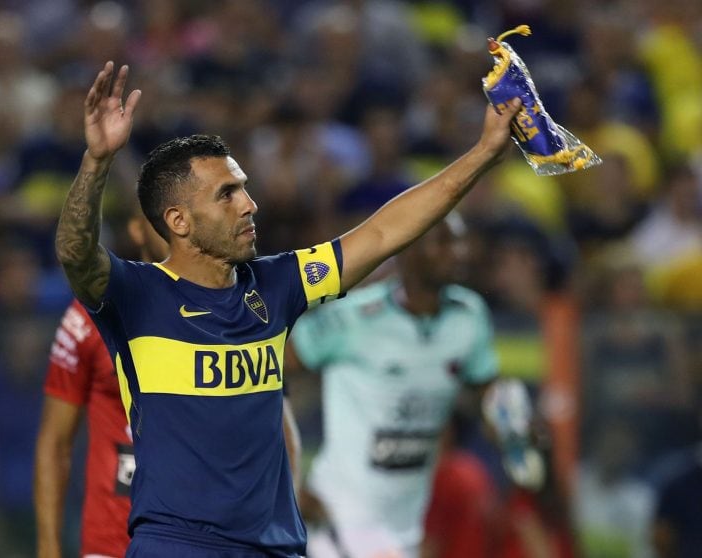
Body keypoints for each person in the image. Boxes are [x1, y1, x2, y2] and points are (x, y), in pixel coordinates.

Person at [53, 60, 521, 557]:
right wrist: (97, 162)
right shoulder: (137, 295)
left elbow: (385, 232)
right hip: (178, 545)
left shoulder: (277, 284)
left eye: (244, 188)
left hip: (275, 547)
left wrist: (484, 153)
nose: (249, 204)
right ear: (179, 221)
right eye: (227, 194)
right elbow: (74, 254)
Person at [34, 206, 304, 558]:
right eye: (159, 217)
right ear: (136, 229)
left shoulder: (238, 311)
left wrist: (279, 531)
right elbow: (55, 442)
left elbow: (282, 433)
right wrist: (49, 549)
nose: (176, 228)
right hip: (110, 543)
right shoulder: (86, 319)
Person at [288, 214, 535, 558]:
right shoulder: (352, 319)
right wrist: (285, 479)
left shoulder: (469, 316)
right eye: (444, 242)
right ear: (407, 249)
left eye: (461, 242)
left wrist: (508, 425)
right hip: (337, 517)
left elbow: (487, 391)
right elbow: (266, 375)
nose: (459, 253)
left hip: (406, 527)